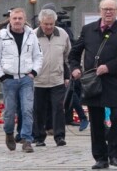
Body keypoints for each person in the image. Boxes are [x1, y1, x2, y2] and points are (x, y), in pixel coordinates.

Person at [68, 0, 117, 169]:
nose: (108, 12)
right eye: (105, 9)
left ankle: (114, 154)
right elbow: (74, 53)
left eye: (112, 9)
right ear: (100, 11)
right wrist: (75, 68)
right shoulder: (88, 30)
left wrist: (109, 67)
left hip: (115, 81)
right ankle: (100, 158)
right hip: (93, 83)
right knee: (96, 121)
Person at [0, 7, 43, 153]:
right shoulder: (1, 35)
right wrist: (1, 76)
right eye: (15, 18)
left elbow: (38, 55)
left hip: (26, 78)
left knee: (27, 110)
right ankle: (8, 133)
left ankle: (26, 139)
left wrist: (34, 72)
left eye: (20, 18)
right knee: (9, 112)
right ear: (10, 19)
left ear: (24, 20)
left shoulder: (31, 35)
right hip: (9, 79)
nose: (17, 21)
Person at [33, 8, 71, 147]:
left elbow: (67, 56)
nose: (49, 27)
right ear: (40, 22)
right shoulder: (32, 35)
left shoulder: (62, 34)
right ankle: (38, 137)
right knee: (38, 109)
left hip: (57, 78)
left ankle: (59, 135)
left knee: (58, 108)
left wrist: (67, 75)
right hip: (38, 80)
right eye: (45, 24)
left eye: (51, 24)